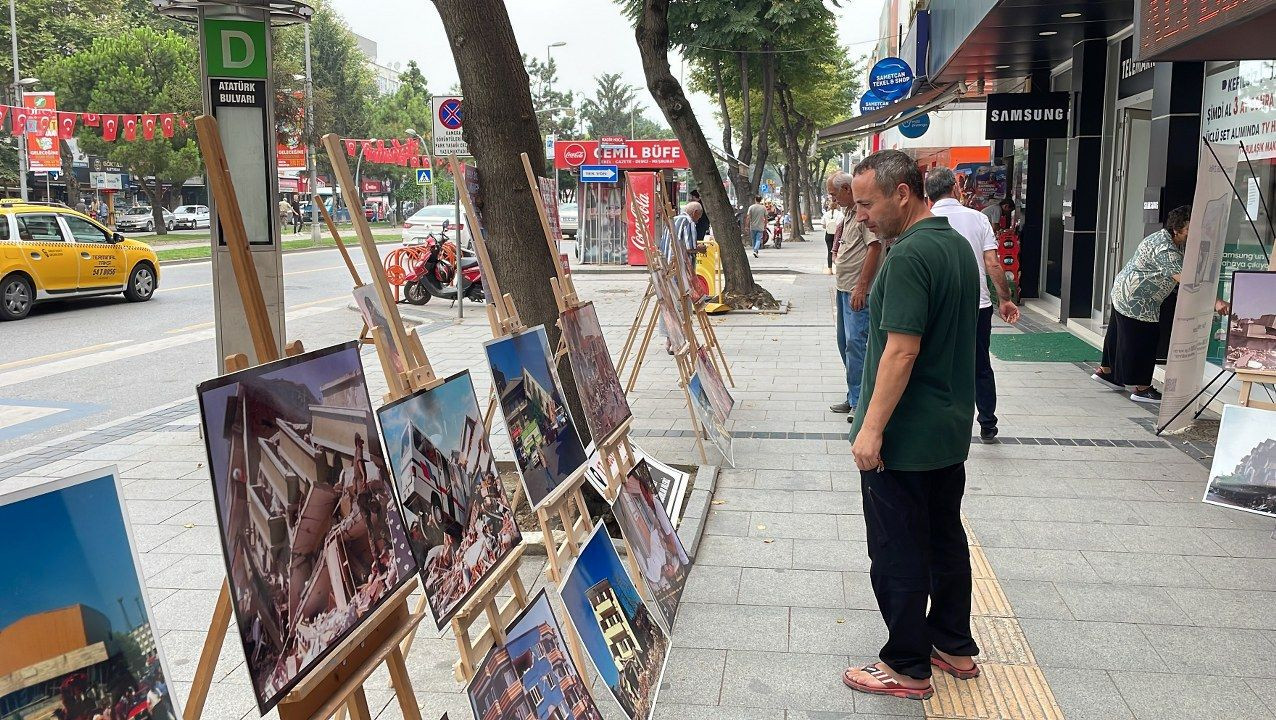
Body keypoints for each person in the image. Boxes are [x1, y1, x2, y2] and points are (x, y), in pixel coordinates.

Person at [843, 149, 981, 702]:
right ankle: (953, 644)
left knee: (898, 548)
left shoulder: (907, 258)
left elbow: (899, 352)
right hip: (948, 427)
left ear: (903, 193)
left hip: (905, 435)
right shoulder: (956, 246)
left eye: (867, 204)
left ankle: (906, 664)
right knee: (946, 538)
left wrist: (871, 430)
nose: (861, 217)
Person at [1093, 205, 1228, 403]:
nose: (1196, 232)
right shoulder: (1165, 248)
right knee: (1143, 339)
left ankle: (1107, 372)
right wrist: (1216, 301)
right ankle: (1141, 388)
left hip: (1126, 292)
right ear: (1177, 229)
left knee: (1119, 335)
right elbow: (1188, 281)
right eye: (1191, 228)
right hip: (1137, 299)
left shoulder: (1172, 240)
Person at [926, 167, 1020, 442]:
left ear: (928, 195)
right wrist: (1005, 298)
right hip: (976, 305)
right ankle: (988, 423)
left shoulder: (925, 219)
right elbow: (993, 263)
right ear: (955, 189)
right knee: (980, 363)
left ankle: (942, 421)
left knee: (937, 361)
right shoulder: (978, 219)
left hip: (937, 305)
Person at [826, 171, 881, 420]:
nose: (833, 199)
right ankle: (853, 395)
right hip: (844, 288)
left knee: (856, 344)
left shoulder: (863, 214)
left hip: (858, 291)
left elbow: (875, 247)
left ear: (848, 189)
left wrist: (861, 286)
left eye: (834, 194)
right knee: (844, 343)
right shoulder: (848, 214)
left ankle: (861, 401)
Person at [659, 201, 703, 354]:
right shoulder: (688, 222)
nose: (698, 220)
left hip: (666, 269)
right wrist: (701, 248)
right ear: (695, 213)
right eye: (699, 217)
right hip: (680, 271)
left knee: (668, 304)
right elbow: (690, 247)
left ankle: (669, 340)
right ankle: (677, 341)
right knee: (680, 305)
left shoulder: (672, 220)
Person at [821, 200, 844, 274]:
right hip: (838, 235)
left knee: (829, 251)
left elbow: (823, 224)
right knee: (838, 251)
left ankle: (830, 269)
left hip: (828, 234)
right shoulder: (840, 214)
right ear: (837, 206)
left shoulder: (826, 214)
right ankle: (837, 268)